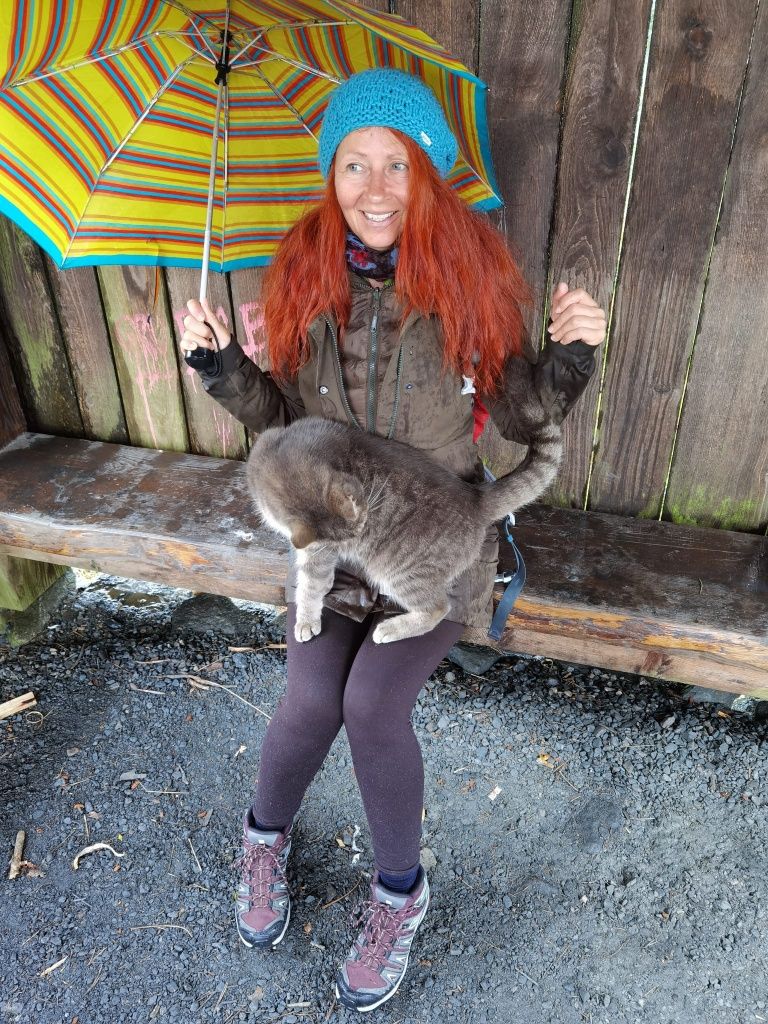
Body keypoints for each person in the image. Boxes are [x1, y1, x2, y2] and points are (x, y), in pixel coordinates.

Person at [180, 68, 606, 1012]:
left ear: (430, 176)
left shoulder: (474, 288)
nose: (374, 189)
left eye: (397, 165)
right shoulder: (303, 278)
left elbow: (522, 416)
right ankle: (264, 841)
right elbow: (283, 419)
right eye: (354, 164)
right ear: (330, 176)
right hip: (333, 543)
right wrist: (223, 370)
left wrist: (571, 356)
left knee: (372, 705)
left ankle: (398, 897)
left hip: (431, 550)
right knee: (305, 698)